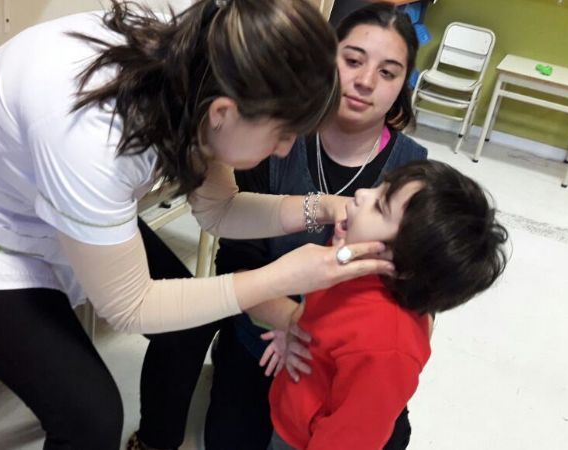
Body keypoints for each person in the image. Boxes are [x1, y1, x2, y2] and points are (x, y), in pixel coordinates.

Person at [0, 1, 395, 449]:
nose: (285, 150)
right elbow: (127, 305)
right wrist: (283, 280)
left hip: (44, 199)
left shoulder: (211, 66)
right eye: (282, 135)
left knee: (190, 326)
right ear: (222, 112)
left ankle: (155, 442)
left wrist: (322, 208)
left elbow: (217, 210)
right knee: (91, 420)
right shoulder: (91, 136)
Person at [133, 4, 426, 450]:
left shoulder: (413, 171)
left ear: (404, 83)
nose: (365, 81)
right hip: (263, 332)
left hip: (346, 354)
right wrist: (293, 320)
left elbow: (418, 284)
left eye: (388, 72)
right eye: (352, 61)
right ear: (326, 60)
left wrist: (357, 353)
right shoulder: (268, 132)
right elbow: (229, 245)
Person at [267, 160, 510, 450]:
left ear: (402, 264)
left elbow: (352, 438)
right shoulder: (347, 261)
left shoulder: (387, 348)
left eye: (380, 206)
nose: (360, 195)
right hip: (291, 408)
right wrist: (293, 324)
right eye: (378, 189)